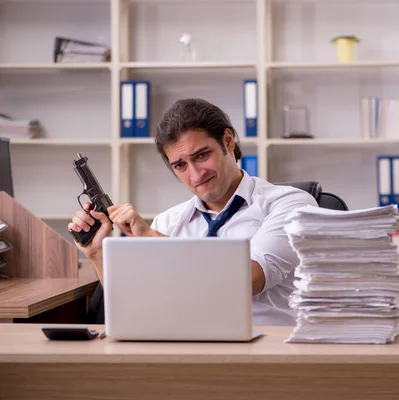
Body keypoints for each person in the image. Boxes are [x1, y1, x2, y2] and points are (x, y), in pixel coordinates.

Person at [68, 98, 318, 326]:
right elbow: (136, 309)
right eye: (180, 165)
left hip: (266, 358)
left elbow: (247, 279)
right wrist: (97, 253)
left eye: (202, 155)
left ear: (228, 141)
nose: (196, 175)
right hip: (185, 353)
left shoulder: (292, 205)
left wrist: (151, 240)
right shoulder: (167, 223)